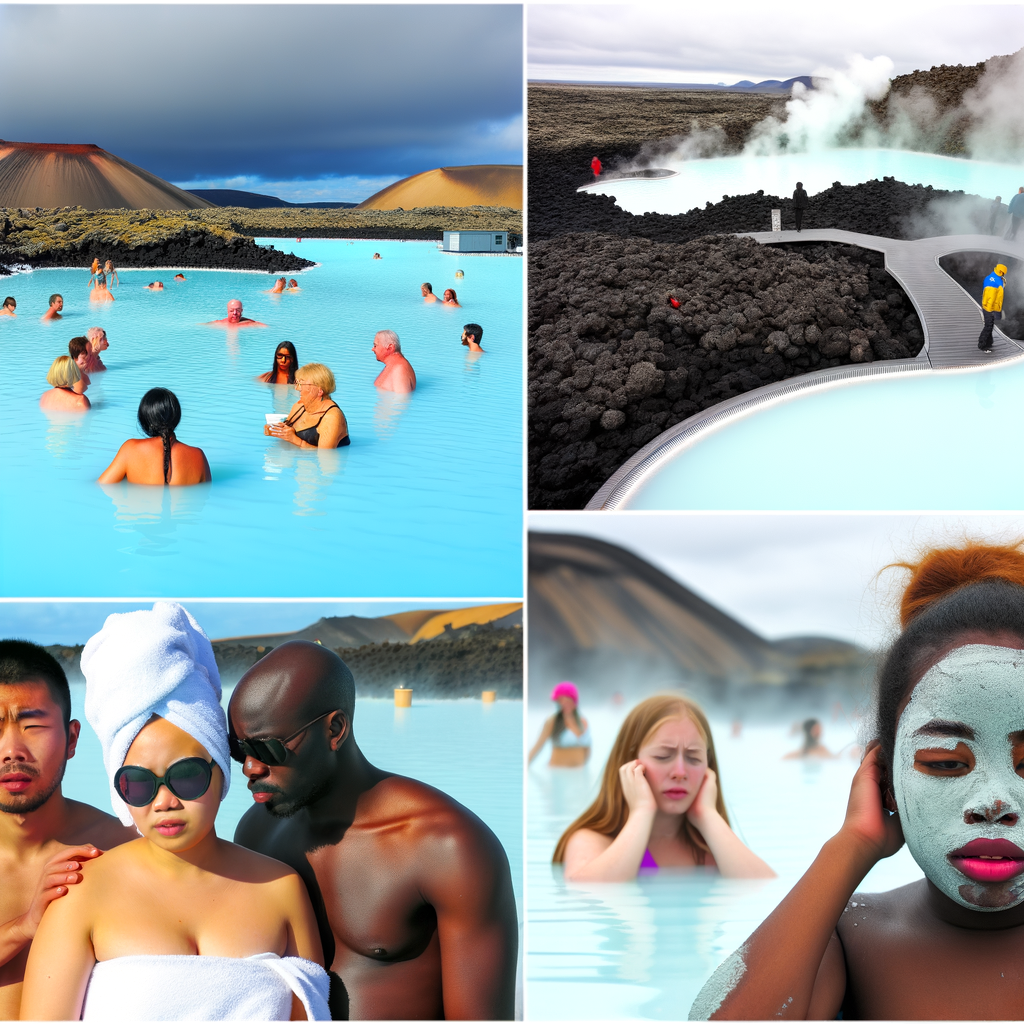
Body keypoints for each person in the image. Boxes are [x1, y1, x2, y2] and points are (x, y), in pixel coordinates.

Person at [691, 541, 1024, 1021]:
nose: (994, 803)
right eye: (946, 763)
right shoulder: (846, 939)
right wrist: (850, 846)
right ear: (886, 781)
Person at [20, 603, 330, 1021]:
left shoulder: (281, 888)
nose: (164, 801)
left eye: (185, 777)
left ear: (221, 771)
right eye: (139, 784)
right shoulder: (80, 893)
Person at [228, 641, 518, 1019]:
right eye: (239, 751)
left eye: (267, 750)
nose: (250, 768)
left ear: (334, 729)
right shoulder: (256, 833)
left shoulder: (447, 846)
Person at [0, 640, 136, 1021]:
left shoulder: (118, 848)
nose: (12, 751)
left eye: (32, 727)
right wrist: (24, 927)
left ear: (72, 739)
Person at [553, 694, 775, 882]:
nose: (680, 771)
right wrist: (641, 812)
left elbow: (769, 897)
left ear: (709, 768)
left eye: (694, 758)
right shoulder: (593, 841)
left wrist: (707, 815)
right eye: (663, 756)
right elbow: (584, 896)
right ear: (629, 763)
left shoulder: (712, 850)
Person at [98, 388, 212, 486]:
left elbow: (101, 486)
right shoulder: (198, 456)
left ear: (144, 419)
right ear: (177, 417)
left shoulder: (130, 449)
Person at [266, 363, 349, 449]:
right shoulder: (299, 406)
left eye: (301, 384)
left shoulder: (331, 417)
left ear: (319, 390)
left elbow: (326, 456)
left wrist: (295, 440)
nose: (297, 388)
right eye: (297, 383)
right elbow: (287, 430)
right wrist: (275, 430)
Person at [529, 681, 590, 767]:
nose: (565, 704)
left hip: (579, 775)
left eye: (568, 700)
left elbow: (587, 750)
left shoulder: (583, 722)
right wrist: (525, 764)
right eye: (561, 700)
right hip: (557, 773)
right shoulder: (552, 721)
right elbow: (538, 746)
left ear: (574, 701)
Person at [977, 262, 1007, 353]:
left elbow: (998, 291)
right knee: (988, 326)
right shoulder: (996, 281)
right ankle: (982, 345)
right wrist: (989, 311)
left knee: (990, 325)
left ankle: (989, 343)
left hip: (989, 306)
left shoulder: (993, 277)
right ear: (1001, 272)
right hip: (989, 308)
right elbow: (990, 297)